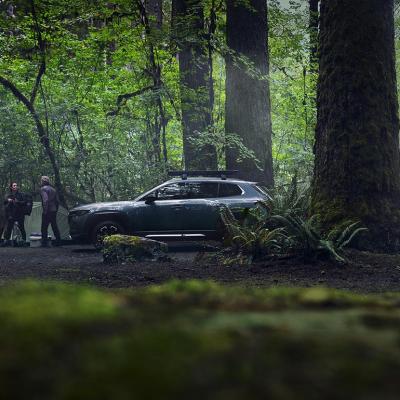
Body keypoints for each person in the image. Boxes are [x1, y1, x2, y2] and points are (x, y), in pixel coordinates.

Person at [2, 182, 28, 247]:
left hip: (20, 214)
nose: (15, 186)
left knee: (21, 227)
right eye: (14, 185)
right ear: (11, 187)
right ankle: (6, 241)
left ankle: (24, 241)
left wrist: (17, 202)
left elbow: (25, 202)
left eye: (16, 185)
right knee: (9, 228)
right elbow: (4, 201)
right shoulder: (9, 194)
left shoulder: (21, 194)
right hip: (11, 214)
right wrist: (8, 200)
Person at [40, 176, 61, 247]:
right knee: (54, 226)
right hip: (53, 210)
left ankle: (44, 243)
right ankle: (58, 241)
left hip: (47, 210)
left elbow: (45, 200)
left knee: (44, 228)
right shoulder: (53, 189)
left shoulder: (43, 189)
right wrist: (56, 209)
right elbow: (57, 201)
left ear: (43, 182)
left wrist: (45, 211)